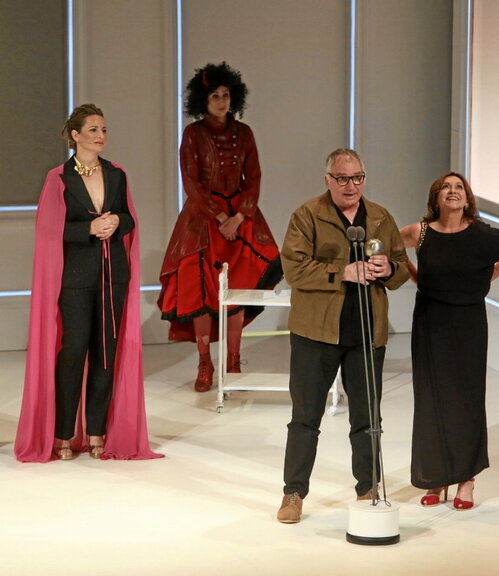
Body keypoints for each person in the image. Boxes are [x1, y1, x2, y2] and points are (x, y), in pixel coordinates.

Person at [15, 104, 162, 462]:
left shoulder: (117, 173)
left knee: (106, 355)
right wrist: (89, 229)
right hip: (76, 278)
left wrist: (116, 222)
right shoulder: (58, 178)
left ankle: (97, 431)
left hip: (114, 277)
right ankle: (63, 433)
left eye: (104, 130)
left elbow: (129, 218)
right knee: (73, 352)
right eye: (93, 130)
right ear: (75, 136)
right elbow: (50, 231)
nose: (100, 136)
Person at [276, 148, 409, 523]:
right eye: (342, 179)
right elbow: (295, 270)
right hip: (315, 334)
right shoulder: (306, 215)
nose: (351, 186)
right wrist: (344, 273)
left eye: (357, 178)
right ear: (328, 181)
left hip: (366, 333)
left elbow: (401, 272)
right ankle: (293, 493)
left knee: (368, 418)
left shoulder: (381, 217)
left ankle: (368, 488)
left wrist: (388, 269)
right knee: (305, 417)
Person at [400, 172, 499, 509]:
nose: (452, 191)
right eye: (446, 187)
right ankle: (435, 477)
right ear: (435, 198)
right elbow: (391, 249)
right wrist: (418, 278)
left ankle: (466, 480)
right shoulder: (421, 232)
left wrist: (490, 276)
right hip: (429, 320)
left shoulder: (481, 235)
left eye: (459, 187)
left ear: (467, 199)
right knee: (431, 398)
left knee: (465, 399)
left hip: (467, 323)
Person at [158, 62, 281, 392]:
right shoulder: (193, 134)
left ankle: (234, 359)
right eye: (215, 95)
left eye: (226, 95)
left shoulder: (245, 133)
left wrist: (239, 217)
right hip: (203, 221)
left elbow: (253, 178)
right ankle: (204, 361)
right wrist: (219, 217)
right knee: (200, 289)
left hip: (240, 219)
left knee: (239, 287)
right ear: (203, 99)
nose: (222, 101)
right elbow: (192, 182)